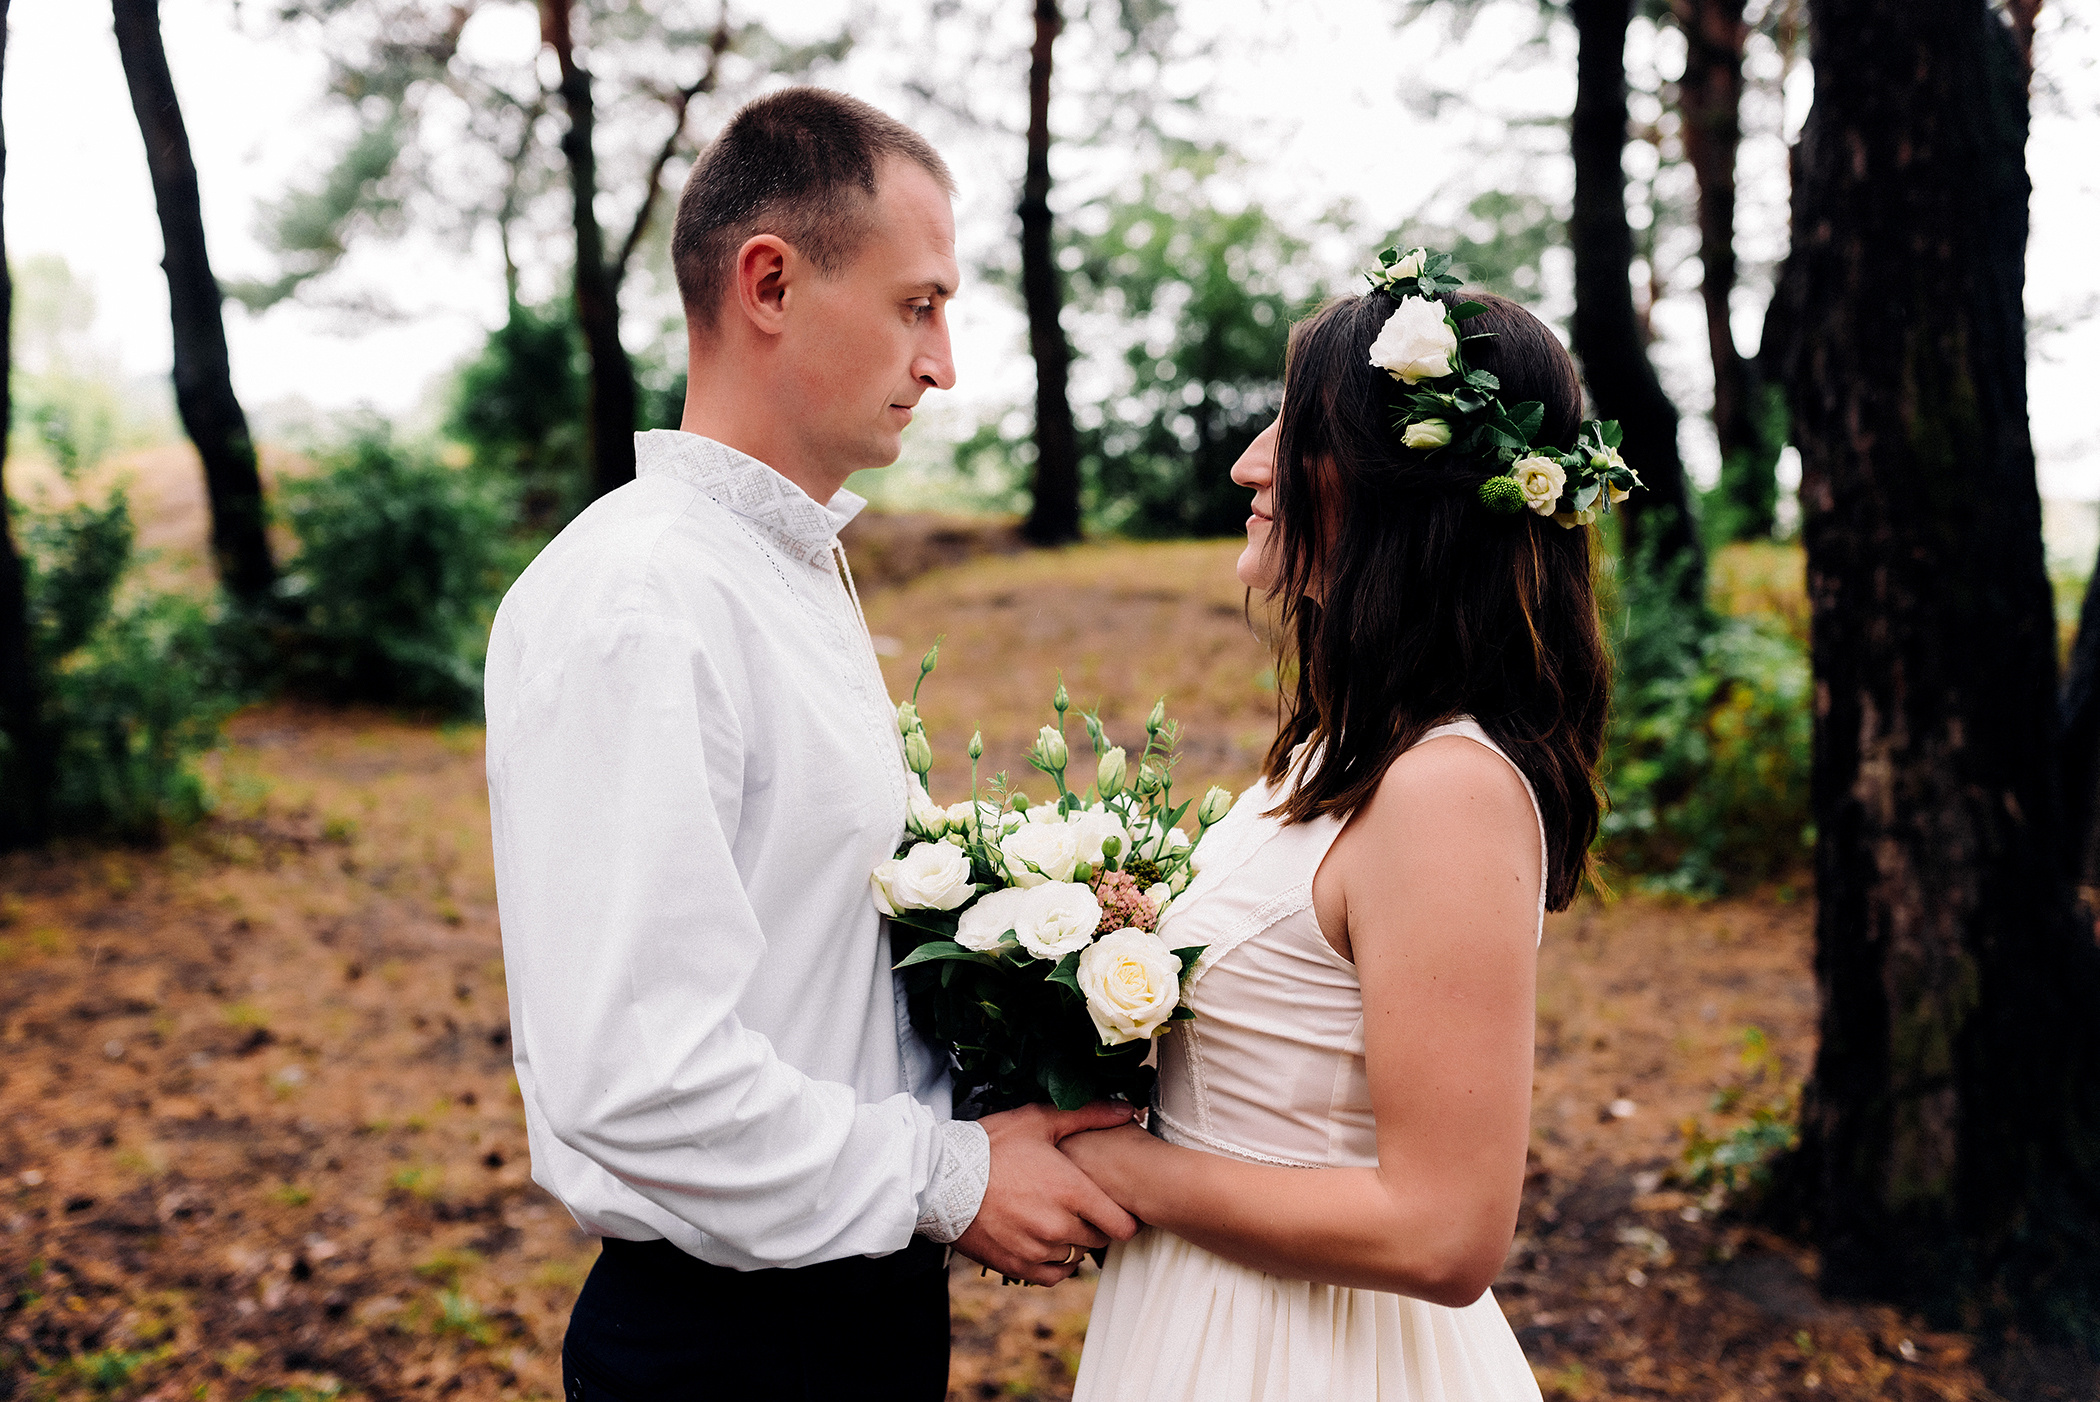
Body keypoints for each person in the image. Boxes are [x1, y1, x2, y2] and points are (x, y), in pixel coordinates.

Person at [483, 88, 1136, 1402]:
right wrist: (949, 1173)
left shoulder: (783, 569)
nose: (944, 362)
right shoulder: (640, 596)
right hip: (729, 1348)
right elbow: (635, 1070)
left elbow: (819, 962)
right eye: (918, 305)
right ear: (769, 283)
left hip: (859, 1310)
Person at [1059, 271, 1617, 1400]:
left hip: (1304, 1355)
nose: (1248, 464)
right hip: (1200, 1316)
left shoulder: (1447, 791)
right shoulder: (1332, 757)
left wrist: (1117, 1168)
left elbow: (1444, 1233)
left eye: (1293, 431)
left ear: (1392, 487)